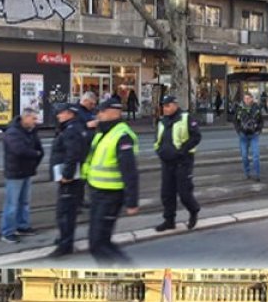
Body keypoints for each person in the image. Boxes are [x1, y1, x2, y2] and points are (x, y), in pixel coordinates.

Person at [80, 97, 140, 263]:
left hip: (111, 195)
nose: (98, 114)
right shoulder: (103, 132)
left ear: (114, 113)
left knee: (98, 243)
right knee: (98, 241)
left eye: (102, 111)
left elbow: (130, 171)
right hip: (97, 192)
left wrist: (132, 202)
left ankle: (127, 268)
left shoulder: (122, 135)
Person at [153, 95, 202, 232]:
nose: (165, 108)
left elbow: (196, 136)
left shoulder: (186, 118)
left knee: (184, 192)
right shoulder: (162, 121)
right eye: (163, 106)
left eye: (167, 106)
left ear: (175, 105)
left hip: (183, 162)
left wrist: (182, 151)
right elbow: (157, 139)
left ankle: (193, 210)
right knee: (167, 193)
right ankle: (169, 221)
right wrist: (159, 151)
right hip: (167, 162)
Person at [49, 103, 90, 256]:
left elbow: (73, 155)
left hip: (69, 178)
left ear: (69, 114)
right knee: (66, 211)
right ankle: (64, 239)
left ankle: (65, 244)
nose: (58, 115)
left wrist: (67, 175)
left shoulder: (71, 130)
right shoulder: (74, 127)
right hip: (72, 176)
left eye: (61, 113)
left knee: (65, 212)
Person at [0, 108, 43, 244]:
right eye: (33, 118)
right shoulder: (13, 132)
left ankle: (22, 226)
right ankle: (7, 232)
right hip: (15, 172)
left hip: (26, 171)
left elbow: (38, 147)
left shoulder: (31, 131)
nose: (36, 121)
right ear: (25, 118)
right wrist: (35, 154)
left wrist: (37, 155)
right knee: (12, 204)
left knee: (24, 202)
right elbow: (19, 150)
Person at [234, 92, 263, 181]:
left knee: (256, 155)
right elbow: (235, 121)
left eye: (248, 98)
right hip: (243, 135)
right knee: (244, 156)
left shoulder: (256, 108)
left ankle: (257, 174)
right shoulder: (240, 109)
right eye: (245, 98)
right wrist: (239, 131)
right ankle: (247, 173)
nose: (246, 100)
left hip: (254, 135)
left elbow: (261, 121)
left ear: (251, 99)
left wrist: (259, 130)